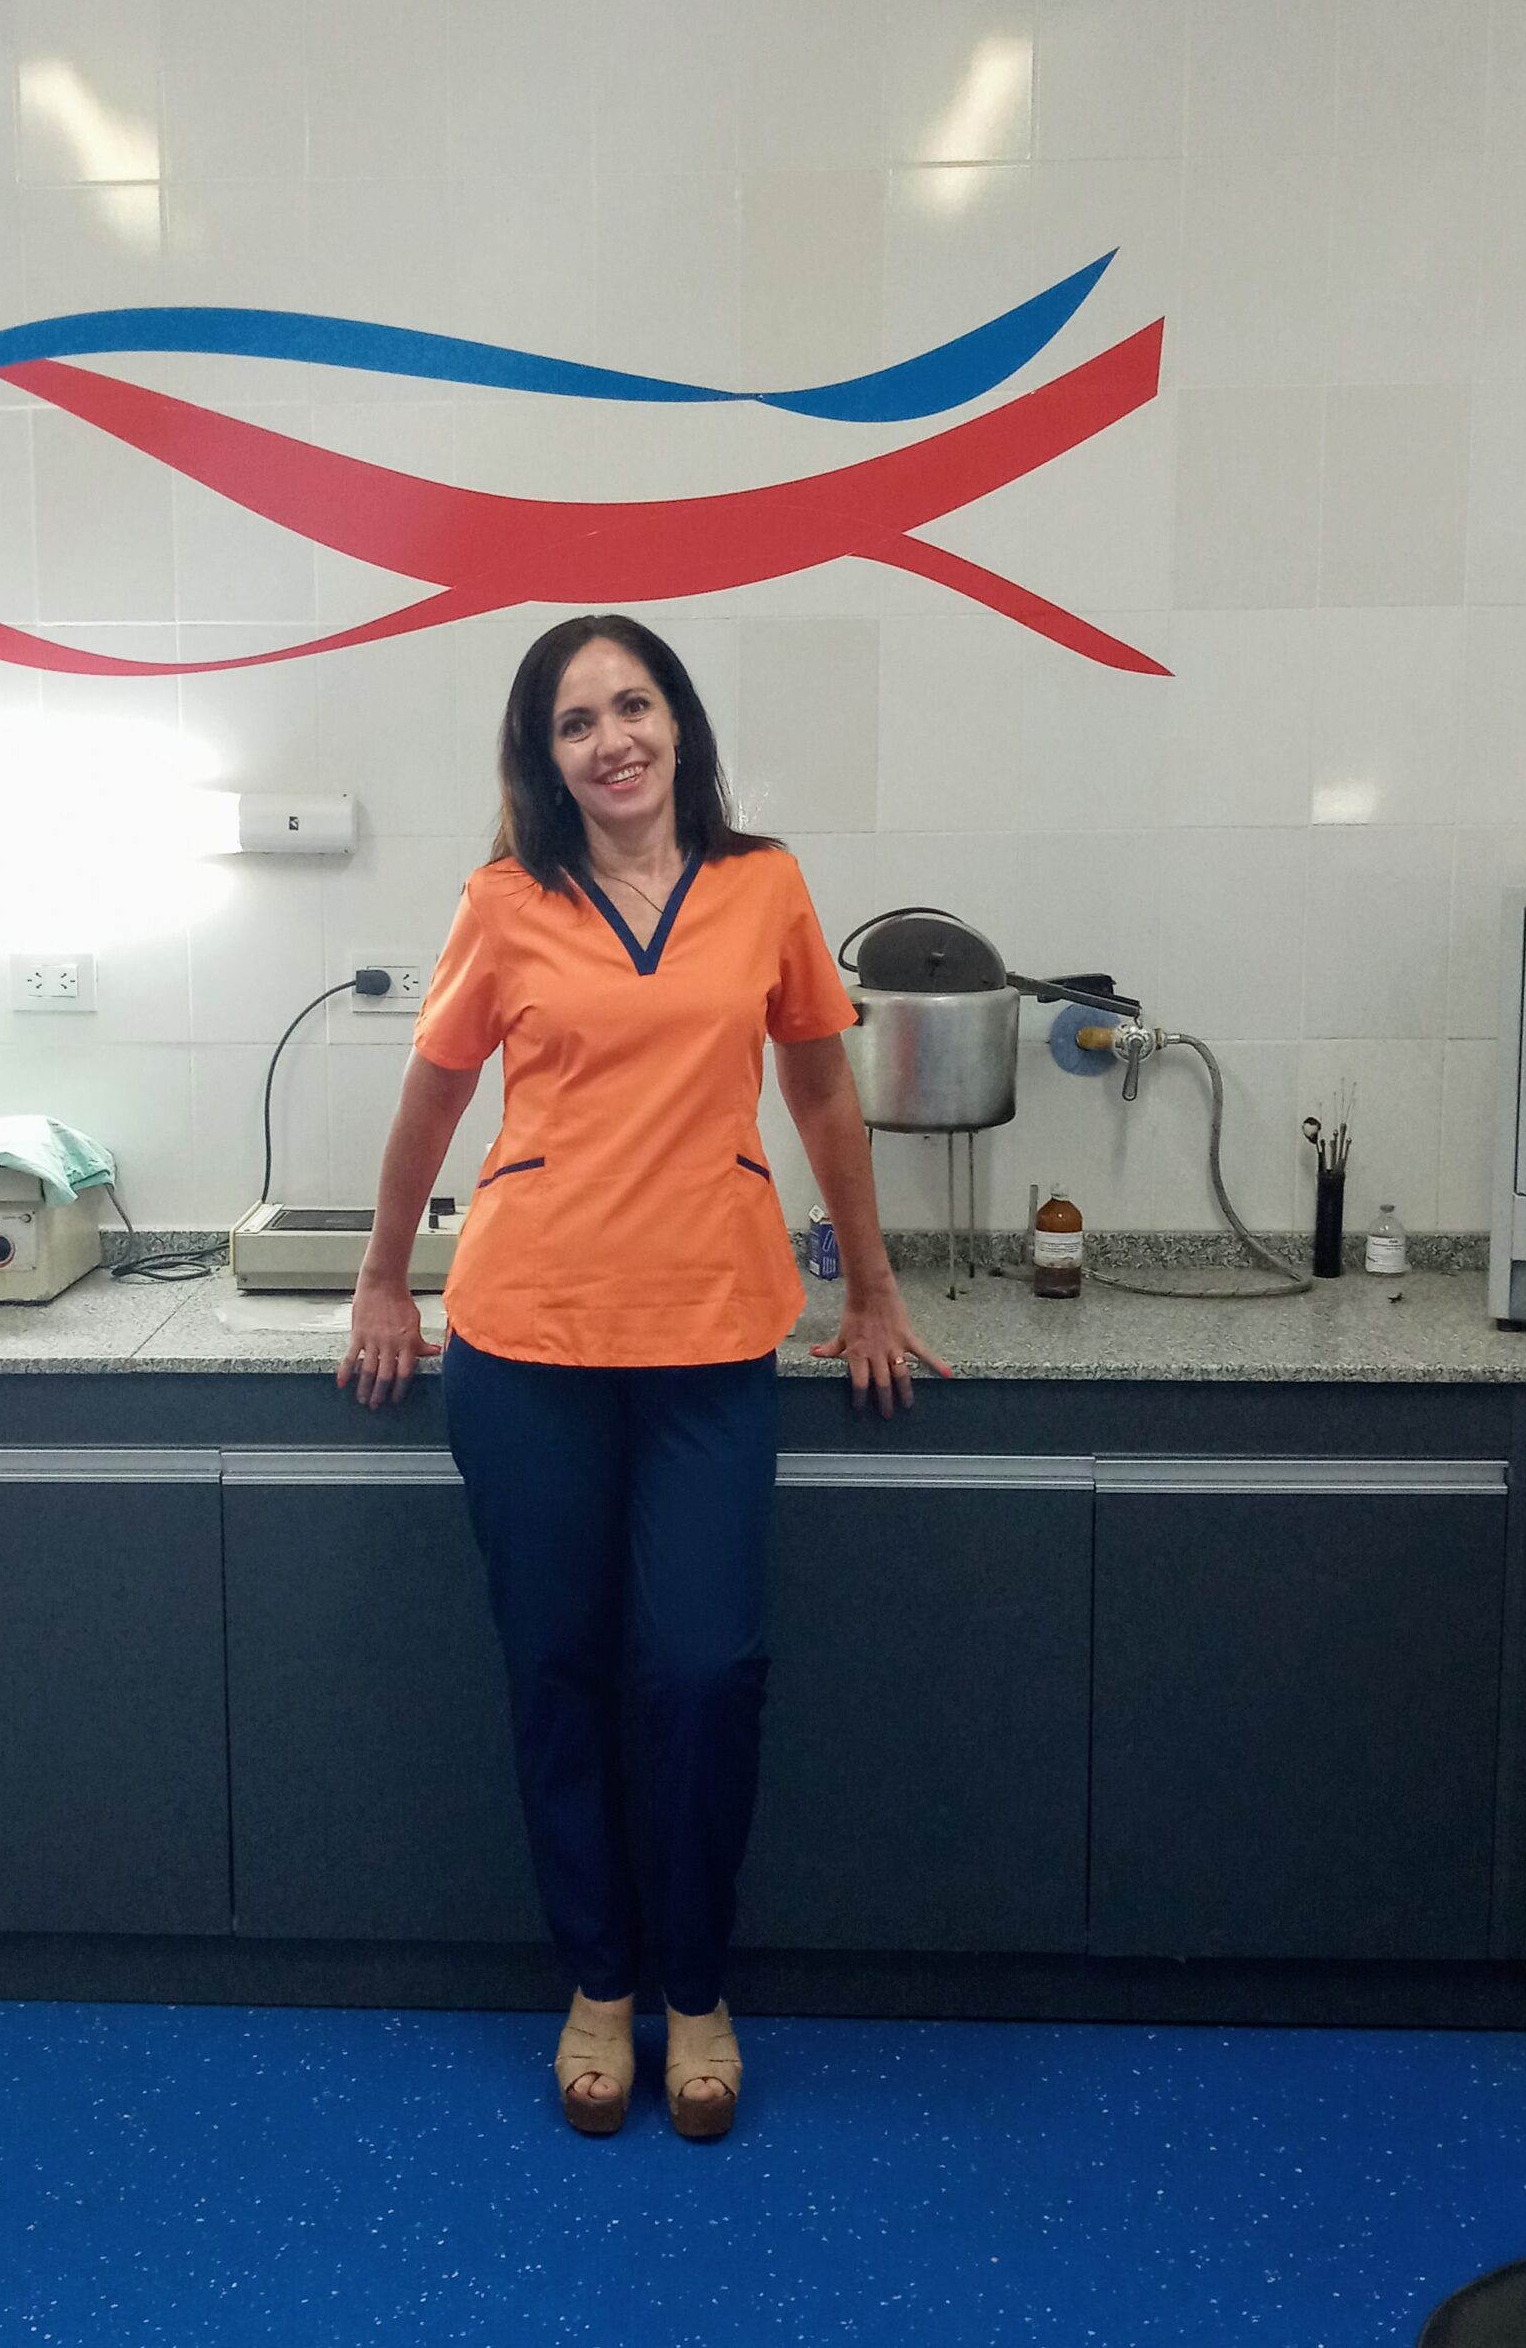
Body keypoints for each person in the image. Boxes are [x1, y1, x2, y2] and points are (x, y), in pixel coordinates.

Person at [336, 611, 949, 2140]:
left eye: (631, 705)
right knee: (555, 1669)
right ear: (541, 758)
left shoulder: (763, 886)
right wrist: (381, 1278)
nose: (608, 739)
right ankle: (599, 1983)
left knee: (701, 1670)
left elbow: (820, 1087)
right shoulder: (504, 902)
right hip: (525, 1339)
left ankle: (697, 1982)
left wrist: (872, 1289)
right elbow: (431, 1099)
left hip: (710, 1335)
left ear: (677, 723)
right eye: (573, 721)